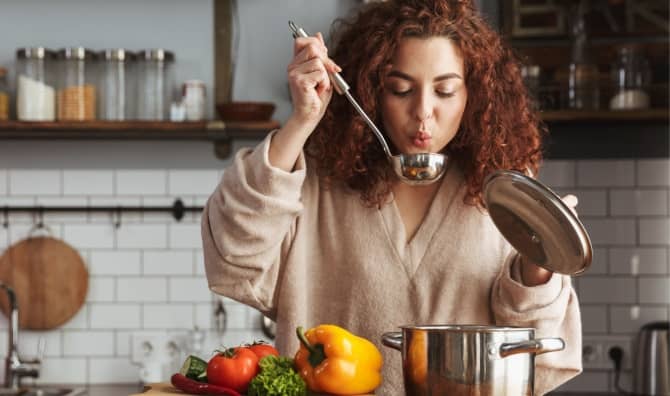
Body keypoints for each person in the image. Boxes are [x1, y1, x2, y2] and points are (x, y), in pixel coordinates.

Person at [202, 0, 582, 394]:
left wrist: (539, 266)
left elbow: (531, 349)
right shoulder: (317, 179)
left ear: (475, 95)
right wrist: (301, 122)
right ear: (370, 90)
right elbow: (234, 255)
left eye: (445, 90)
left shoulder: (504, 193)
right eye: (400, 89)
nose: (423, 113)